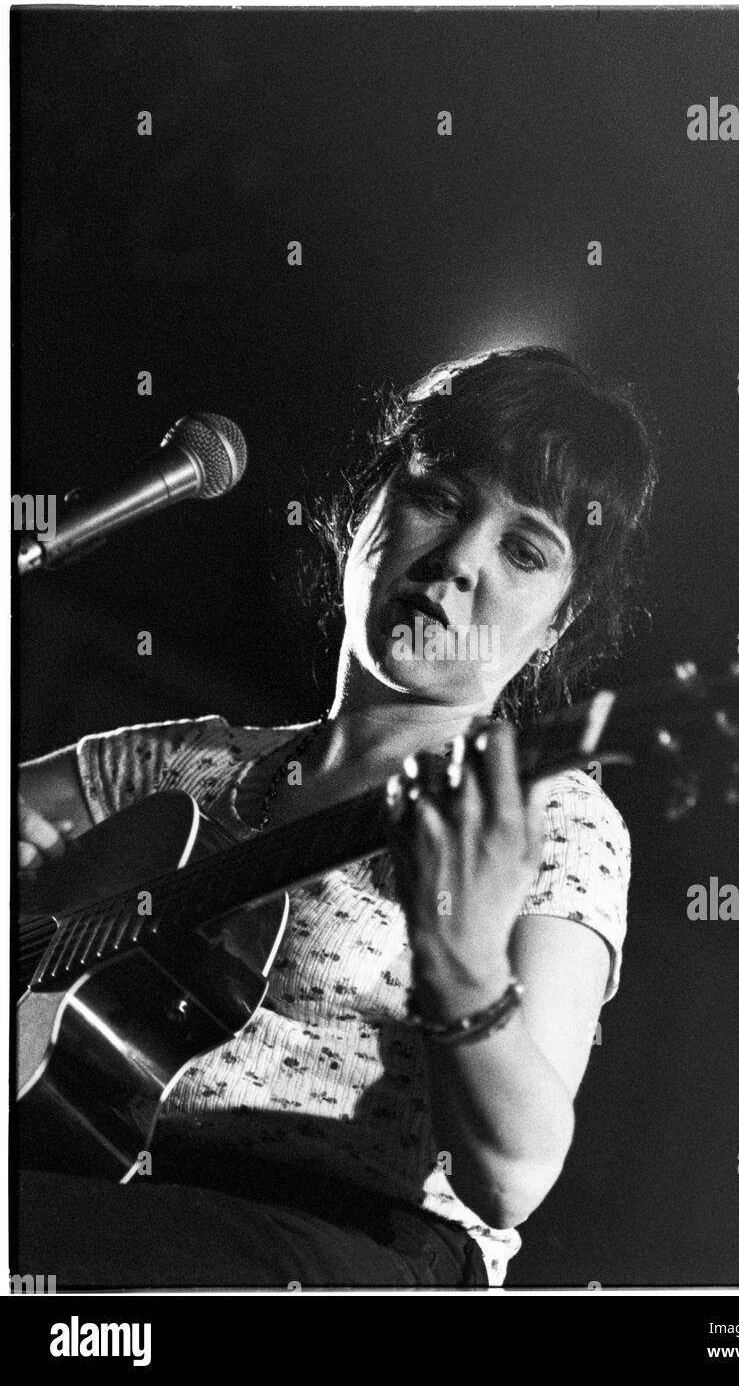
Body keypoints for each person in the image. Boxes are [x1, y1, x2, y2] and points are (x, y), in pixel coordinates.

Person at [16, 345, 656, 1289]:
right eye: (438, 498)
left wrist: (464, 963)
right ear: (369, 507)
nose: (458, 563)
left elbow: (514, 1174)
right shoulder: (184, 764)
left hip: (336, 1253)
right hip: (81, 1198)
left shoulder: (542, 809)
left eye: (524, 551)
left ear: (560, 621)